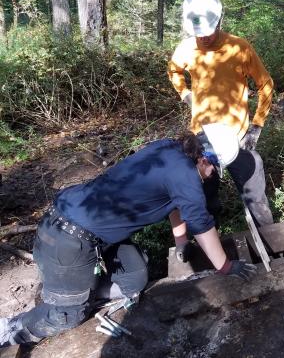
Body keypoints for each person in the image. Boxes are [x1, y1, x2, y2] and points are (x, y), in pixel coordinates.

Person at [0, 124, 256, 348]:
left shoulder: (171, 149)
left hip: (86, 230)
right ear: (205, 159)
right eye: (215, 169)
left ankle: (75, 286)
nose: (212, 175)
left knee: (134, 278)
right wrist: (225, 266)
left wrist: (181, 242)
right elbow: (201, 223)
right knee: (68, 316)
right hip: (68, 238)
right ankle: (11, 328)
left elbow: (175, 203)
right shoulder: (187, 175)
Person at [168, 0, 274, 227]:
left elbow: (265, 84)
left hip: (238, 134)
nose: (203, 38)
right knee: (204, 194)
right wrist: (185, 93)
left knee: (255, 193)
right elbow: (173, 70)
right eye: (199, 33)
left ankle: (268, 236)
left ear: (219, 21)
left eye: (208, 31)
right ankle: (213, 236)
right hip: (203, 134)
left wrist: (257, 124)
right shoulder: (186, 48)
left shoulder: (239, 48)